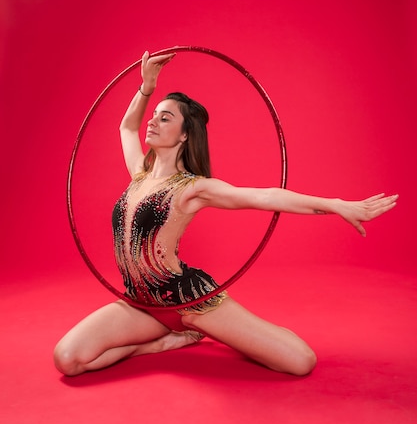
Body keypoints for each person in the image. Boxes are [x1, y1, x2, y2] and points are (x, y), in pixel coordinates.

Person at [54, 51, 398, 377]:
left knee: (300, 360)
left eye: (165, 117)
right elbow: (126, 128)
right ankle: (162, 345)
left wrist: (337, 205)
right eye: (154, 115)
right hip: (144, 304)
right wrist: (146, 88)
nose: (153, 122)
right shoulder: (138, 176)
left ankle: (237, 330)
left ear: (185, 134)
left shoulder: (193, 188)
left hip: (190, 301)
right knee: (68, 359)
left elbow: (265, 196)